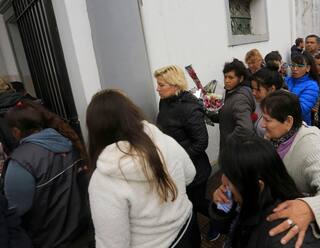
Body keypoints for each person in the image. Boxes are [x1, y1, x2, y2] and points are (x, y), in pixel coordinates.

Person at [86, 89, 199, 248]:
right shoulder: (162, 139)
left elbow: (113, 244)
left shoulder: (103, 179)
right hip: (188, 229)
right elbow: (190, 174)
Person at [258, 90, 320, 246]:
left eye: (267, 120)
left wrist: (309, 208)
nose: (262, 124)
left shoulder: (312, 148)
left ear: (288, 121)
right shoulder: (275, 136)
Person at [3, 100, 91, 248]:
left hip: (49, 240)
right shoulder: (67, 142)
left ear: (16, 131)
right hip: (82, 232)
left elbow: (16, 210)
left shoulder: (21, 162)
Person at [211, 135, 320, 248]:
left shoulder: (284, 237)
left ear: (258, 185)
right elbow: (229, 229)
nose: (223, 181)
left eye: (230, 178)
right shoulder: (251, 195)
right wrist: (221, 209)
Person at [154, 65, 211, 229]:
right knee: (187, 205)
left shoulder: (189, 108)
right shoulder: (164, 102)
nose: (157, 88)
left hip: (196, 169)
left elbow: (201, 142)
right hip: (178, 168)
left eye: (161, 85)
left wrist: (176, 156)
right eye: (157, 84)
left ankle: (223, 222)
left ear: (175, 85)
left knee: (198, 203)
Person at [208, 59, 255, 155]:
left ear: (241, 78)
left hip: (236, 152)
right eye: (225, 77)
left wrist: (228, 140)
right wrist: (208, 111)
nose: (226, 81)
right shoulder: (231, 93)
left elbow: (245, 129)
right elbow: (227, 117)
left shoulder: (239, 99)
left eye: (231, 77)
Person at [251, 63, 284, 137]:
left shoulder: (280, 111)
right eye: (252, 89)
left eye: (258, 90)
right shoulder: (260, 102)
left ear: (272, 89)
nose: (253, 93)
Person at [285, 53, 320, 125]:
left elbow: (301, 109)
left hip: (299, 125)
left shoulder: (312, 86)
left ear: (308, 68)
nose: (295, 69)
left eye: (300, 66)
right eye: (293, 65)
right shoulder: (286, 80)